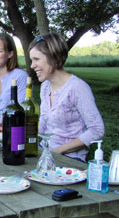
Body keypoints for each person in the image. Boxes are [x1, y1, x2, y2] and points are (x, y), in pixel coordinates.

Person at [29, 33, 105, 162]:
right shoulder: (46, 86)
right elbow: (43, 123)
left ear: (54, 57)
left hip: (70, 159)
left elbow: (97, 130)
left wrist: (57, 151)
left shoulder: (77, 87)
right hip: (45, 151)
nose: (32, 65)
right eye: (32, 60)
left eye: (37, 59)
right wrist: (20, 134)